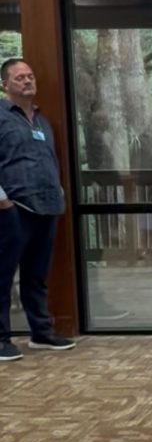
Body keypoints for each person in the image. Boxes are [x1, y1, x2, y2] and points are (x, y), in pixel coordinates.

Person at [0, 58, 76, 361]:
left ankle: (41, 333)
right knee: (3, 276)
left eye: (30, 76)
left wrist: (58, 192)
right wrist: (3, 201)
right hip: (12, 209)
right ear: (5, 84)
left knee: (36, 275)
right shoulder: (1, 117)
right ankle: (1, 339)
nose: (27, 81)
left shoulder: (42, 121)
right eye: (19, 77)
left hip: (46, 207)